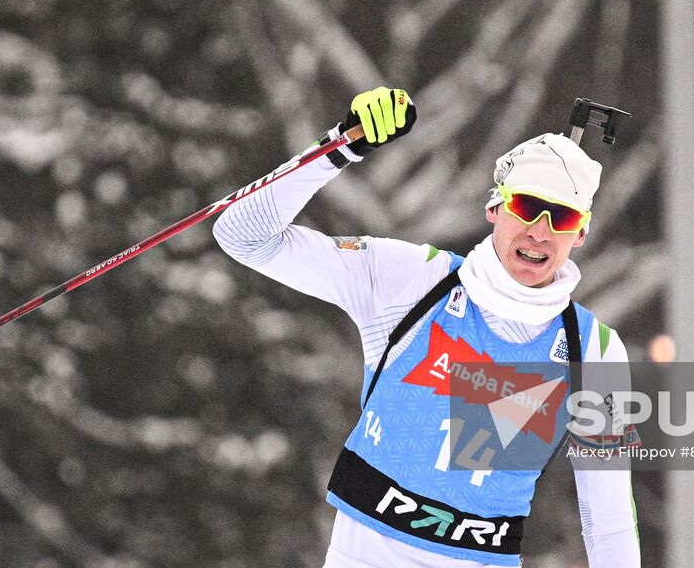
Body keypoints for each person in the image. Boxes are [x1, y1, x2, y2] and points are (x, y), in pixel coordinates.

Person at [214, 87, 640, 568]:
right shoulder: (411, 281)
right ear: (495, 208)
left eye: (560, 216)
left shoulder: (595, 352)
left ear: (580, 232)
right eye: (525, 207)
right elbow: (242, 236)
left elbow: (607, 519)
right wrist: (340, 145)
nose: (539, 232)